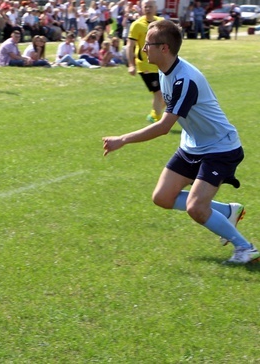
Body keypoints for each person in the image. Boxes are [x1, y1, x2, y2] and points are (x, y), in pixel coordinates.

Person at [102, 19, 257, 264]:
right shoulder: (165, 71)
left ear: (164, 48)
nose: (143, 49)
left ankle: (246, 248)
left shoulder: (184, 80)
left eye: (148, 45)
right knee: (162, 197)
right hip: (192, 145)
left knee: (197, 208)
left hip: (220, 148)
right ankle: (229, 211)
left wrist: (123, 139)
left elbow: (164, 127)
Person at [127, 0, 166, 123]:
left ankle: (154, 113)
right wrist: (131, 65)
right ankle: (158, 121)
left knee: (167, 93)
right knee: (158, 92)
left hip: (160, 64)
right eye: (145, 7)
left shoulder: (161, 22)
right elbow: (130, 46)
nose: (148, 9)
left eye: (150, 6)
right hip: (145, 65)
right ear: (142, 8)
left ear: (156, 8)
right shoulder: (137, 25)